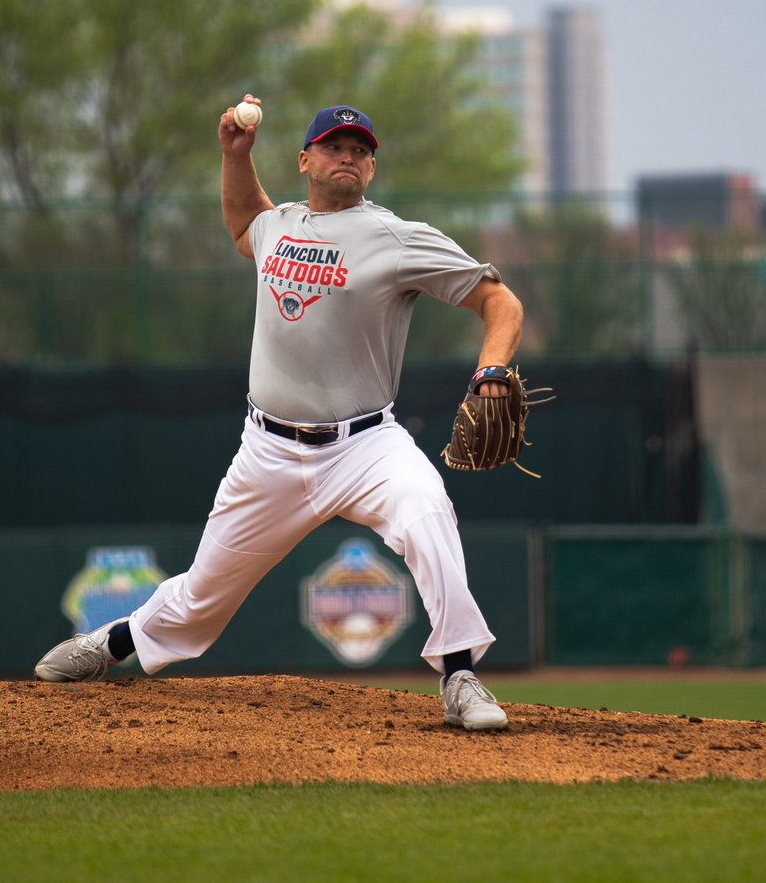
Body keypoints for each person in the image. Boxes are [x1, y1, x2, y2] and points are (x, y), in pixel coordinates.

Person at [35, 97, 525, 731]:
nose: (349, 156)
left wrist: (490, 371)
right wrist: (235, 154)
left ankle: (459, 673)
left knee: (426, 510)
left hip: (365, 445)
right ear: (305, 160)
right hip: (268, 448)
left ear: (371, 169)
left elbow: (499, 301)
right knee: (205, 591)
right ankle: (113, 644)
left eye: (361, 151)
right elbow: (243, 224)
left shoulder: (394, 236)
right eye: (335, 146)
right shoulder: (278, 226)